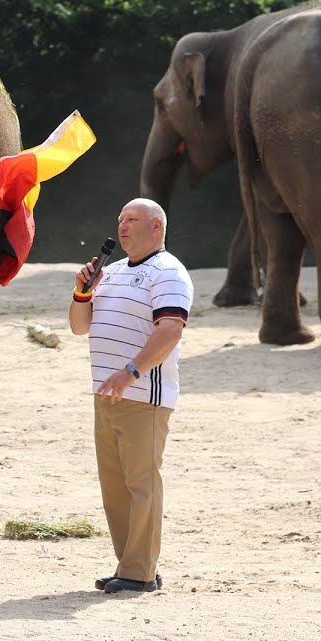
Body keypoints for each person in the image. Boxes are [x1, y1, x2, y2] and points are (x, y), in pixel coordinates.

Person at [68, 197, 194, 594]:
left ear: (156, 227)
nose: (122, 226)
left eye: (132, 219)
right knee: (115, 485)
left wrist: (132, 371)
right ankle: (131, 564)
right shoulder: (112, 272)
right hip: (104, 393)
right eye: (120, 219)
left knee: (142, 482)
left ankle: (140, 572)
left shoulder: (169, 271)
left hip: (142, 395)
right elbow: (78, 327)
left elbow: (170, 330)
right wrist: (82, 293)